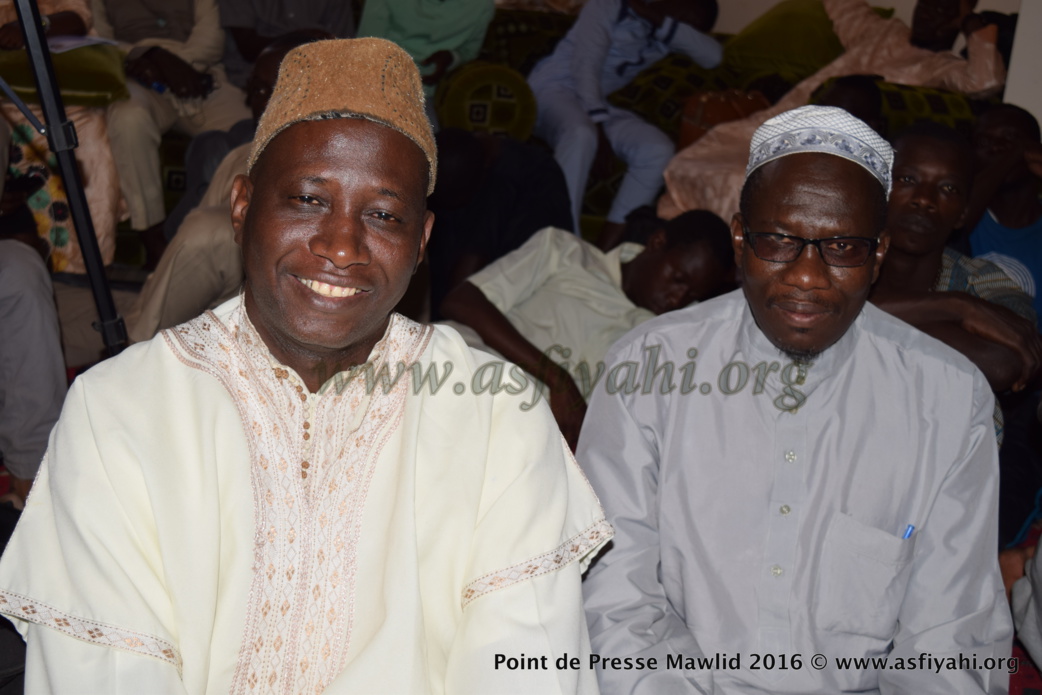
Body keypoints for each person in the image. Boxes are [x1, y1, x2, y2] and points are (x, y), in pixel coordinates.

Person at [0, 38, 611, 693]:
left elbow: (520, 666)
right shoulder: (118, 409)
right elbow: (108, 673)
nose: (342, 245)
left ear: (422, 240)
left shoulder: (500, 418)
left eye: (382, 214)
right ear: (241, 207)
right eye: (309, 200)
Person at [580, 105, 1012, 694]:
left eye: (842, 248)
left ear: (879, 252)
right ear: (740, 238)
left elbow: (950, 637)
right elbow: (613, 600)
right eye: (780, 241)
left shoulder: (948, 399)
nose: (806, 276)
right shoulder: (648, 370)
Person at [660, 0, 1007, 224]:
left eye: (946, 9)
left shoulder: (940, 67)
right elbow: (841, 6)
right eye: (928, 4)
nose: (932, 11)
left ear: (960, 21)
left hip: (823, 144)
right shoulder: (884, 30)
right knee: (693, 160)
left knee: (746, 185)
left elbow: (986, 81)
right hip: (778, 121)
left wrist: (976, 27)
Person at [441, 210, 733, 448]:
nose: (677, 299)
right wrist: (558, 379)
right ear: (657, 242)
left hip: (518, 434)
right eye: (678, 279)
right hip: (458, 374)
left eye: (691, 295)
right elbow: (462, 301)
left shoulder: (660, 337)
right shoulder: (565, 252)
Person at [126, 31, 331, 343]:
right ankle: (136, 342)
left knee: (212, 233)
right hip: (231, 308)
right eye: (254, 88)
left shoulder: (348, 164)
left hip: (309, 310)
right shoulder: (244, 156)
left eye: (268, 90)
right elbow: (181, 262)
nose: (255, 100)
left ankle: (135, 351)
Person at [527, 0, 721, 247]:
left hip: (596, 104)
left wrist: (662, 22)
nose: (684, 25)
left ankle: (608, 248)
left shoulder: (664, 31)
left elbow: (714, 56)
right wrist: (598, 127)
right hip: (551, 91)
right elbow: (585, 67)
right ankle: (558, 242)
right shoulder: (609, 5)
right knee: (581, 134)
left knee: (656, 149)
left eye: (691, 26)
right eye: (684, 15)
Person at [93, 0, 252, 268]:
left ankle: (229, 236)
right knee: (128, 118)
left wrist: (178, 67)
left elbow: (212, 36)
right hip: (138, 72)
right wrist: (147, 56)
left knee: (256, 133)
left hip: (197, 72)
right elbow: (99, 41)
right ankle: (152, 235)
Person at [0, 0, 122, 274]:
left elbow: (78, 17)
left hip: (55, 96)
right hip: (4, 103)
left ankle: (84, 267)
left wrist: (32, 26)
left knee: (88, 134)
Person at [427, 127, 574, 318]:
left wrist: (444, 323)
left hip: (525, 289)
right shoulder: (459, 154)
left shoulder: (530, 178)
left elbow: (471, 262)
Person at [965, 104, 1042, 319]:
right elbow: (958, 221)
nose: (997, 148)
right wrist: (1013, 154)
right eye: (984, 142)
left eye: (1012, 139)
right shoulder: (967, 215)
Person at [356, 0, 495, 102]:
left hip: (430, 96)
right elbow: (367, 51)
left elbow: (469, 52)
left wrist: (451, 58)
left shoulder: (481, 6)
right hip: (375, 86)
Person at [218, 0, 354, 88]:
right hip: (249, 81)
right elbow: (248, 49)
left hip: (318, 77)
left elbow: (342, 47)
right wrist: (302, 38)